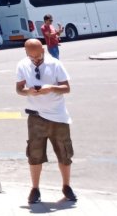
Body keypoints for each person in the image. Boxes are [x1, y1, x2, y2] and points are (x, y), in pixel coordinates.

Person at [16, 38, 75, 204]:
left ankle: (66, 186)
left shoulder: (54, 63)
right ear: (26, 53)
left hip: (58, 116)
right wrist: (28, 92)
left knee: (64, 153)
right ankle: (35, 189)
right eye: (32, 57)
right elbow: (19, 89)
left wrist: (51, 88)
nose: (36, 60)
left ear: (43, 50)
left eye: (38, 57)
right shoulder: (22, 64)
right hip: (36, 116)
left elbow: (67, 88)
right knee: (34, 154)